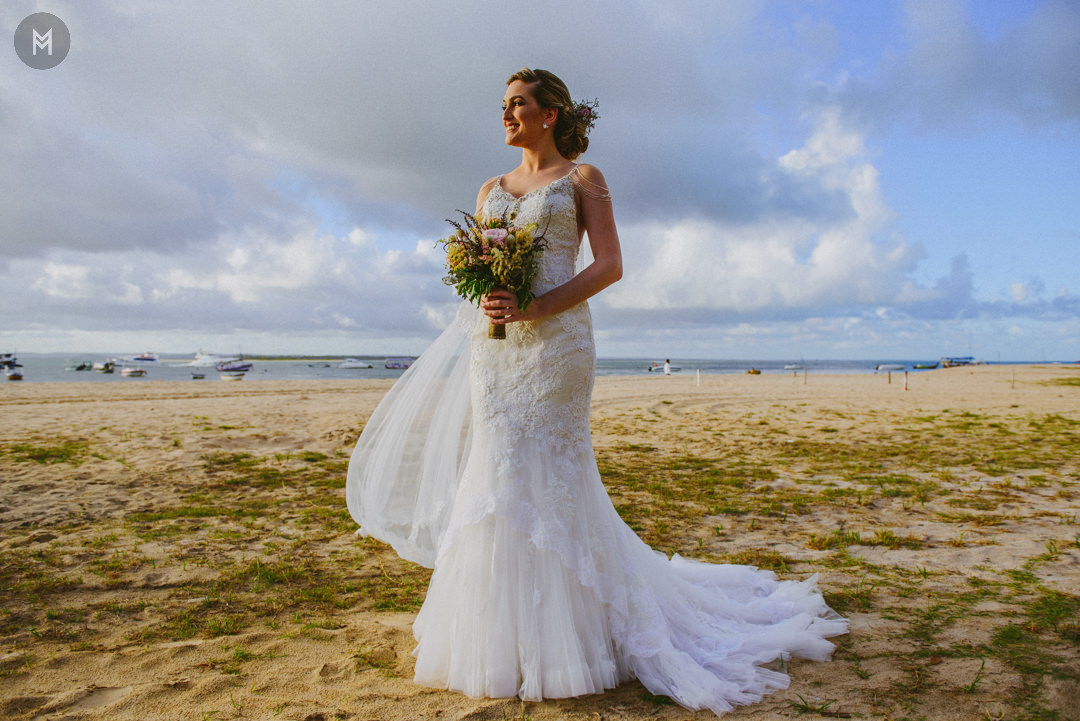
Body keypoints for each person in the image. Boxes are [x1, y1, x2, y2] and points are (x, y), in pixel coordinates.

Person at [345, 68, 846, 716]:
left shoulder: (583, 180)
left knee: (552, 473)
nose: (506, 114)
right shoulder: (489, 189)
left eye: (518, 104)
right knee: (496, 471)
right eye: (503, 105)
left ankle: (573, 638)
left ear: (550, 113)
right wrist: (492, 303)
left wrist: (539, 307)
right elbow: (478, 266)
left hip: (557, 351)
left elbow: (609, 264)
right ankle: (499, 641)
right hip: (495, 354)